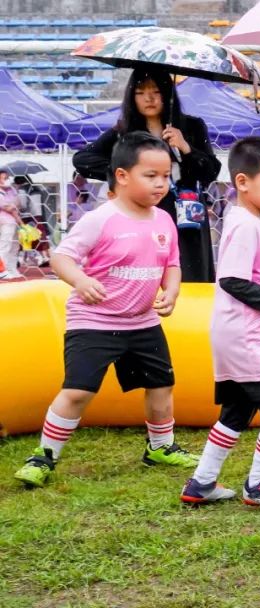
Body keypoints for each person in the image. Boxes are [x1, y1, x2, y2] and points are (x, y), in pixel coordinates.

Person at [14, 133, 200, 489]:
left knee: (161, 386)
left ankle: (160, 447)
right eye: (151, 175)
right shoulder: (101, 219)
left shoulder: (163, 220)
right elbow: (61, 257)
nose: (161, 183)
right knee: (79, 391)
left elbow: (172, 264)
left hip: (143, 323)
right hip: (94, 323)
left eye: (166, 175)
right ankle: (44, 456)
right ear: (122, 175)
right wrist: (81, 281)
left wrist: (172, 291)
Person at [181, 137, 260, 509]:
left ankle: (202, 482)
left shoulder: (254, 223)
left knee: (237, 410)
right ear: (242, 182)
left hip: (238, 333)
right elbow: (232, 280)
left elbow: (253, 276)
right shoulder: (246, 225)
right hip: (245, 336)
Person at [73, 68, 221, 283]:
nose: (149, 98)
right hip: (142, 214)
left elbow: (210, 171)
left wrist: (186, 147)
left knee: (189, 277)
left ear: (168, 94)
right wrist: (129, 173)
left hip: (186, 218)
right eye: (141, 92)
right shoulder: (124, 133)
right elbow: (83, 160)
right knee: (146, 274)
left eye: (156, 91)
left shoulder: (192, 126)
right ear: (132, 97)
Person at [0, 169, 23, 279]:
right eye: (5, 178)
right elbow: (8, 208)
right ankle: (2, 270)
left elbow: (18, 204)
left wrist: (13, 206)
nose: (8, 180)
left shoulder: (12, 190)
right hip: (5, 222)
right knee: (5, 245)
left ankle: (12, 269)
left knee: (15, 247)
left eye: (8, 178)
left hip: (14, 222)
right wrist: (13, 206)